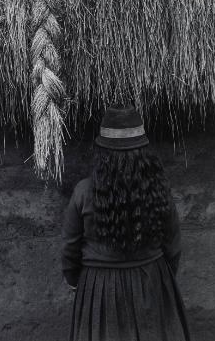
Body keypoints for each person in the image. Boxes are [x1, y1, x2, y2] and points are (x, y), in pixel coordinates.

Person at [61, 104, 191, 341]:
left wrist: (78, 284)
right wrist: (159, 279)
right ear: (143, 152)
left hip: (98, 290)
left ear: (102, 152)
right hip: (150, 282)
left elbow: (70, 250)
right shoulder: (159, 190)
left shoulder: (83, 191)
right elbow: (173, 246)